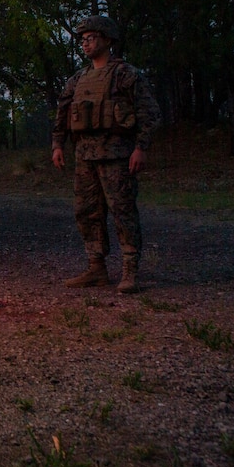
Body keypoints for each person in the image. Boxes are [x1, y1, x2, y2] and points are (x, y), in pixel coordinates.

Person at [51, 15, 161, 294]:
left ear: (107, 39)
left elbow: (149, 113)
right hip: (85, 156)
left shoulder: (126, 75)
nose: (86, 44)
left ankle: (130, 270)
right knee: (86, 212)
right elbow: (63, 112)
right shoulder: (78, 79)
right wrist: (57, 145)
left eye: (91, 38)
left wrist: (141, 148)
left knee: (122, 211)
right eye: (83, 40)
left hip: (117, 155)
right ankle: (96, 268)